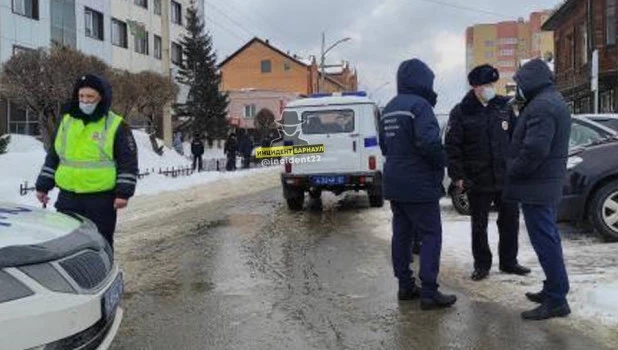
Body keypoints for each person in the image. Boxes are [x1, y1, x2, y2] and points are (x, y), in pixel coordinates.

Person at [379, 58, 456, 310]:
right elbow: (429, 143)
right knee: (430, 234)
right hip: (419, 184)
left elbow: (384, 145)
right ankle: (430, 292)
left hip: (394, 182)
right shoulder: (420, 106)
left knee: (401, 234)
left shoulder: (389, 107)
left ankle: (405, 285)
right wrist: (440, 162)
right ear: (422, 81)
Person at [445, 64, 530, 281]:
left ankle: (509, 262)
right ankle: (482, 265)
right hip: (478, 179)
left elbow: (517, 138)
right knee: (479, 225)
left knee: (510, 220)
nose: (490, 88)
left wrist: (517, 166)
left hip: (505, 177)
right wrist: (459, 177)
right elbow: (453, 147)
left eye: (492, 84)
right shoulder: (462, 111)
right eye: (486, 85)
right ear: (475, 87)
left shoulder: (503, 106)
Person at [35, 74, 138, 248]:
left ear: (101, 97)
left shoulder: (115, 124)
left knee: (99, 244)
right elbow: (54, 156)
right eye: (81, 96)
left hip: (100, 199)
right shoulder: (66, 121)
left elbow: (128, 161)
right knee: (66, 244)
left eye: (90, 97)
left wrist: (123, 193)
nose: (85, 101)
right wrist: (43, 186)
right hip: (68, 196)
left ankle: (103, 274)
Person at [504, 59, 572, 320]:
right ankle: (554, 288)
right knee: (548, 239)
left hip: (537, 186)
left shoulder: (542, 106)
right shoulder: (549, 100)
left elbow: (535, 150)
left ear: (531, 81)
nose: (517, 88)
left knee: (545, 241)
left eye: (519, 83)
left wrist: (513, 169)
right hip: (543, 185)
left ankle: (557, 299)